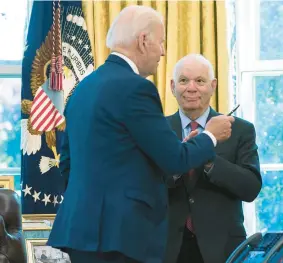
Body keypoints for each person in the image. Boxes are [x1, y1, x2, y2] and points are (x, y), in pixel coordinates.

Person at [47, 6, 235, 263]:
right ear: (143, 41)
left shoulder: (83, 88)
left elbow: (68, 162)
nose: (163, 51)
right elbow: (175, 160)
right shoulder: (136, 88)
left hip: (81, 231)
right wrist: (210, 136)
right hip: (122, 235)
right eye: (161, 42)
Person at [163, 54, 262, 263]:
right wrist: (182, 159)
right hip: (166, 249)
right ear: (172, 86)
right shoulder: (158, 130)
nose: (191, 88)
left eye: (200, 81)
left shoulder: (238, 129)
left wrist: (209, 159)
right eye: (183, 81)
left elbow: (251, 188)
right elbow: (144, 184)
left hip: (222, 249)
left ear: (213, 85)